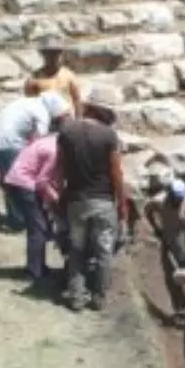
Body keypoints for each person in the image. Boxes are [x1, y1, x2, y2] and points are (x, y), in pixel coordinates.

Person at [54, 102, 126, 312]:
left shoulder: (66, 132)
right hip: (103, 201)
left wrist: (60, 196)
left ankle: (76, 297)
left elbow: (58, 169)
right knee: (104, 251)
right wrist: (121, 203)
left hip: (76, 201)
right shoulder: (109, 136)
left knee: (77, 249)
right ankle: (99, 298)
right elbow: (116, 173)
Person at [0, 92, 66, 230]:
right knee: (19, 182)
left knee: (10, 179)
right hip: (8, 144)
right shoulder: (42, 112)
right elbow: (41, 140)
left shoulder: (27, 102)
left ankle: (19, 218)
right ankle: (20, 220)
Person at [3, 129, 65, 284]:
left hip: (18, 180)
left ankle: (39, 266)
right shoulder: (54, 151)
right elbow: (42, 182)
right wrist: (58, 200)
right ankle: (34, 272)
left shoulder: (51, 140)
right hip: (23, 184)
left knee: (41, 227)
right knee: (38, 229)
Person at [145, 179, 185, 320]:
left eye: (179, 199)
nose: (177, 202)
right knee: (171, 276)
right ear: (169, 194)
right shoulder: (159, 201)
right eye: (174, 199)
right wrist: (156, 228)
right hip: (168, 240)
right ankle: (180, 309)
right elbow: (148, 210)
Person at [25, 36, 82, 118]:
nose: (52, 57)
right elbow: (29, 105)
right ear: (43, 54)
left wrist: (78, 121)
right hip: (45, 121)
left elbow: (77, 100)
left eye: (55, 53)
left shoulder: (69, 76)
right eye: (48, 53)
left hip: (67, 119)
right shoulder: (33, 80)